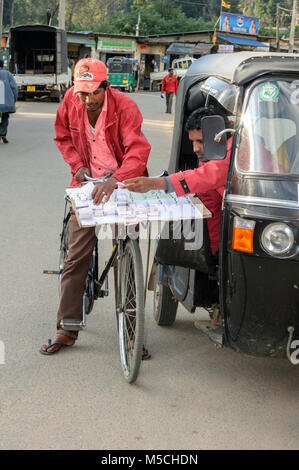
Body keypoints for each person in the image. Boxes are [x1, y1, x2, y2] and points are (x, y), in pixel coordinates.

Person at [40, 58, 151, 355]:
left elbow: (138, 152)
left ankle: (131, 334)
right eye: (83, 93)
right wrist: (76, 165)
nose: (88, 100)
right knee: (77, 257)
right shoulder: (71, 100)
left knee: (125, 258)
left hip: (123, 183)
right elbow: (62, 135)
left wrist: (114, 180)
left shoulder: (125, 107)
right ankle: (67, 328)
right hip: (87, 184)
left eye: (94, 93)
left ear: (107, 86)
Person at [123, 106, 233, 324]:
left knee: (169, 244)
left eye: (200, 141)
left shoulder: (231, 148)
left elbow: (212, 175)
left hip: (225, 232)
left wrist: (159, 183)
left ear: (218, 133)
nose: (196, 149)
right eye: (193, 142)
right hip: (214, 226)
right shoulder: (217, 148)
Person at [0, 60, 18, 143]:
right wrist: (14, 99)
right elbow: (14, 88)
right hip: (6, 103)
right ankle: (2, 133)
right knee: (5, 116)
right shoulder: (7, 74)